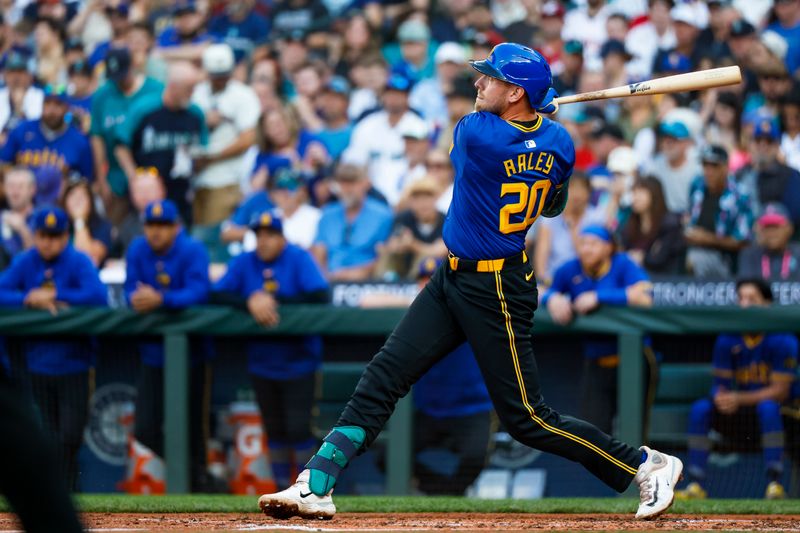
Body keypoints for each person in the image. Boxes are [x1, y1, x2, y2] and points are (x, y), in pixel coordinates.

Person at [258, 42, 682, 522]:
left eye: (491, 78)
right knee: (385, 373)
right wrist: (539, 125)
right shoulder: (561, 142)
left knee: (528, 419)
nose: (478, 84)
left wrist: (533, 120)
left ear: (516, 93)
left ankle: (647, 464)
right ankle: (316, 483)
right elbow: (555, 205)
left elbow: (510, 151)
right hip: (454, 276)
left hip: (498, 288)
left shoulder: (476, 133)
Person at [212, 210, 329, 489]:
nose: (263, 241)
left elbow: (320, 294)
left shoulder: (298, 258)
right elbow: (216, 293)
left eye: (270, 235)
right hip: (262, 361)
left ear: (282, 238)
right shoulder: (244, 262)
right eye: (259, 235)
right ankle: (281, 487)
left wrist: (272, 300)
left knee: (299, 429)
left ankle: (306, 489)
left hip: (299, 361)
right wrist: (250, 299)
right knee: (274, 430)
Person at [0, 206, 107, 490]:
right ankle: (56, 496)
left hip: (74, 364)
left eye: (55, 235)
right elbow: (1, 290)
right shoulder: (26, 260)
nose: (48, 241)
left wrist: (58, 294)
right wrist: (27, 298)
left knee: (70, 435)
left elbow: (99, 295)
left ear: (65, 236)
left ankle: (67, 491)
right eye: (43, 235)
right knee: (45, 436)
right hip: (35, 366)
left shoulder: (77, 260)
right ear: (35, 235)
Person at [678, 279, 797, 501]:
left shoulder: (783, 338)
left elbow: (780, 391)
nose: (745, 305)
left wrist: (738, 398)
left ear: (767, 303)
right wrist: (721, 397)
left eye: (752, 299)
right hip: (741, 416)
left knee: (768, 407)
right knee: (701, 408)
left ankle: (775, 484)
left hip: (783, 417)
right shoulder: (728, 337)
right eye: (741, 299)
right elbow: (719, 384)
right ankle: (695, 484)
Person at [124, 199, 211, 490]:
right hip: (152, 354)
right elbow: (129, 291)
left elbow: (200, 292)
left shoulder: (192, 249)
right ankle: (189, 473)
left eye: (163, 226)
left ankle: (200, 482)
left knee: (192, 429)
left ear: (176, 227)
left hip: (192, 356)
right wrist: (138, 299)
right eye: (151, 225)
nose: (156, 232)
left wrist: (162, 299)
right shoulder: (137, 249)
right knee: (145, 428)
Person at [543, 225, 656, 436]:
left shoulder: (622, 263)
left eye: (593, 244)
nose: (587, 249)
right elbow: (540, 287)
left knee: (635, 430)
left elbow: (646, 296)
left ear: (608, 247)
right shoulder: (571, 268)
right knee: (593, 432)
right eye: (583, 243)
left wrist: (599, 297)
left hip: (634, 359)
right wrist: (552, 298)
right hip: (595, 360)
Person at [114, 61, 207, 226]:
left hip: (181, 191)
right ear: (173, 86)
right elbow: (120, 146)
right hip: (148, 192)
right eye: (188, 89)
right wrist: (134, 178)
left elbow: (203, 148)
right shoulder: (144, 109)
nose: (192, 94)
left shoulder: (195, 114)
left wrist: (198, 162)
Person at [190, 44, 260, 234]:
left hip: (227, 178)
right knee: (197, 232)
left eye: (224, 74)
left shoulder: (243, 95)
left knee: (213, 236)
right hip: (195, 179)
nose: (220, 79)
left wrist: (211, 158)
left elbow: (249, 138)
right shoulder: (197, 93)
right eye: (215, 75)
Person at [90, 47, 164, 223]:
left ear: (132, 66)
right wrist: (101, 179)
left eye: (123, 74)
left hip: (153, 174)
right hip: (116, 176)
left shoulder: (156, 90)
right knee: (116, 226)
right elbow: (97, 137)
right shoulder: (102, 95)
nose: (120, 81)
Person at [0, 85, 93, 193]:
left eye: (57, 104)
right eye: (47, 103)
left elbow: (87, 182)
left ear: (67, 108)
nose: (51, 110)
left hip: (59, 203)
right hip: (22, 197)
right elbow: (3, 164)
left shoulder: (79, 141)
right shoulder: (22, 130)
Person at [311, 163, 394, 281]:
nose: (347, 188)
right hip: (330, 280)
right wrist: (325, 278)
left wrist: (360, 272)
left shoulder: (383, 215)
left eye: (353, 182)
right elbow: (319, 251)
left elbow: (386, 255)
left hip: (368, 282)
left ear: (366, 184)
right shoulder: (327, 214)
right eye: (343, 183)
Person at [685, 145, 753, 278]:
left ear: (726, 167)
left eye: (714, 166)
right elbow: (689, 217)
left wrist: (707, 239)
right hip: (693, 247)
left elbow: (743, 242)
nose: (708, 171)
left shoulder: (740, 195)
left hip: (726, 258)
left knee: (696, 258)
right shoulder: (697, 185)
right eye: (705, 165)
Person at [533, 173, 605, 287]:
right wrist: (543, 279)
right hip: (553, 279)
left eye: (581, 188)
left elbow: (588, 256)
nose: (576, 193)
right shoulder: (550, 216)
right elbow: (542, 250)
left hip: (586, 279)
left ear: (589, 192)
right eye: (572, 187)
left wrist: (573, 229)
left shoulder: (597, 217)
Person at [376, 178, 447, 280]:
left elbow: (441, 250)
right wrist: (396, 245)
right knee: (386, 255)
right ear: (410, 201)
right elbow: (392, 244)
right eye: (417, 198)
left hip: (432, 274)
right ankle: (383, 283)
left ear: (436, 198)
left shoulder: (445, 220)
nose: (423, 203)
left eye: (428, 197)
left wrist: (412, 244)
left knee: (427, 258)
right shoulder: (403, 218)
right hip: (404, 266)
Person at [619, 177, 686, 275]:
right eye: (633, 193)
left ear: (654, 194)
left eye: (640, 192)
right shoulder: (631, 222)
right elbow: (622, 251)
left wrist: (642, 257)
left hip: (664, 281)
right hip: (634, 279)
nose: (635, 198)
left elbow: (658, 259)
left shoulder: (669, 223)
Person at [640, 120, 700, 215]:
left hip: (686, 217)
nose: (667, 143)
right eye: (665, 139)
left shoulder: (697, 170)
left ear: (687, 143)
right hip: (661, 217)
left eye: (674, 140)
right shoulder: (655, 166)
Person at [738, 203, 800, 281]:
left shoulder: (798, 254)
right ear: (760, 230)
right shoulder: (750, 255)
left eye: (776, 227)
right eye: (767, 227)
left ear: (789, 229)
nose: (771, 232)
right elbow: (747, 289)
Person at [61, 177, 113, 267]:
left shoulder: (102, 226)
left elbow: (86, 258)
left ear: (91, 203)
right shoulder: (58, 225)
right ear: (65, 202)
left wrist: (79, 221)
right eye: (72, 196)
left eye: (82, 196)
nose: (77, 201)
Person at [0, 167, 36, 264]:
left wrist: (22, 229)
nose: (15, 192)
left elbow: (39, 261)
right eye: (11, 186)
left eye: (20, 186)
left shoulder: (40, 217)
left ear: (32, 189)